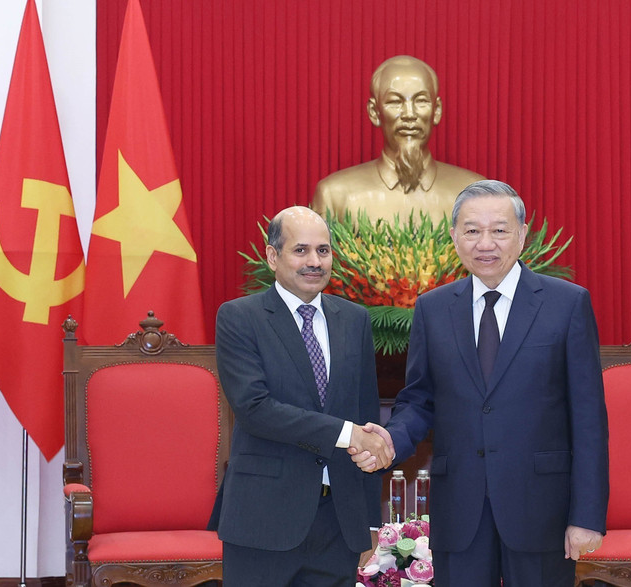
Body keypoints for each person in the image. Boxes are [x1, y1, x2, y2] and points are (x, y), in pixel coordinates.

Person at [353, 180, 609, 586]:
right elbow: (418, 401)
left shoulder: (567, 304)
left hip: (540, 507)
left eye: (499, 230)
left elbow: (589, 419)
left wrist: (587, 516)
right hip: (460, 508)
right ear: (454, 237)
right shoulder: (433, 309)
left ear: (523, 234)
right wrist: (389, 442)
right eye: (472, 230)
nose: (485, 243)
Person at [213, 206, 394, 586]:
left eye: (323, 251)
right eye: (301, 250)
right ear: (272, 256)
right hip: (263, 520)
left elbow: (365, 418)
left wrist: (370, 522)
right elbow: (255, 409)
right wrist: (347, 434)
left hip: (338, 523)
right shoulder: (239, 317)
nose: (315, 262)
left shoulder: (355, 319)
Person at [312, 55, 484, 225]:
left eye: (421, 101)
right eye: (395, 102)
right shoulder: (334, 196)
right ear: (374, 112)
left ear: (437, 110)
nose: (409, 114)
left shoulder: (474, 193)